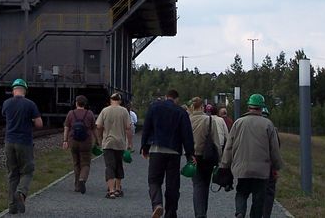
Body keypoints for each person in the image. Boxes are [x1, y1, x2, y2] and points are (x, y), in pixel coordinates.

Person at [220, 93, 282, 218]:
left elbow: (229, 147)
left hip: (242, 168)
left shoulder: (238, 123)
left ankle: (240, 212)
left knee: (241, 192)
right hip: (261, 170)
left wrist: (225, 165)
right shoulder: (268, 124)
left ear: (249, 107)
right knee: (259, 198)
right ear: (261, 107)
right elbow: (274, 149)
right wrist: (276, 166)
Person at [140, 88, 195, 218]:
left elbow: (146, 128)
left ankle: (157, 204)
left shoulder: (154, 108)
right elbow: (187, 135)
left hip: (156, 149)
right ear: (176, 99)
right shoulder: (181, 112)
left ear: (166, 97)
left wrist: (144, 147)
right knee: (173, 185)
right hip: (174, 152)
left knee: (154, 180)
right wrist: (189, 155)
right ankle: (171, 213)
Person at [2, 78, 43, 214]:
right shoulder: (30, 104)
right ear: (24, 90)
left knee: (12, 174)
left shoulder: (6, 103)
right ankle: (21, 192)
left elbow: (6, 116)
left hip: (9, 142)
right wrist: (31, 119)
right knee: (27, 171)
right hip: (24, 142)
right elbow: (39, 124)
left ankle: (12, 207)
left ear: (13, 90)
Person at [188, 96, 228, 218]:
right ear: (202, 107)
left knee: (197, 184)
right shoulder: (209, 120)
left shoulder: (187, 119)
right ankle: (202, 212)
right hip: (207, 157)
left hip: (193, 156)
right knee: (205, 184)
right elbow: (216, 140)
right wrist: (220, 159)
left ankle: (199, 213)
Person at [95, 92, 134, 199]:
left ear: (111, 100)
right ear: (120, 101)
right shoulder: (124, 111)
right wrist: (130, 143)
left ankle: (111, 191)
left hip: (108, 142)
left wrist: (99, 139)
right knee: (118, 165)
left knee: (109, 166)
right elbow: (128, 128)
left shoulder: (105, 110)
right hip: (120, 143)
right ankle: (118, 189)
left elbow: (98, 126)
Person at [63, 94, 97, 194]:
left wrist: (65, 140)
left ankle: (77, 186)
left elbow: (66, 128)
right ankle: (82, 179)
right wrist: (98, 140)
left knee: (76, 163)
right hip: (86, 142)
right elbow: (94, 128)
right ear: (85, 104)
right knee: (85, 163)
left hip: (73, 141)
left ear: (76, 103)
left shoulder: (71, 113)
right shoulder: (89, 114)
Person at [261, 106, 279, 218]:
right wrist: (276, 167)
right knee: (269, 191)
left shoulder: (250, 126)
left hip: (254, 166)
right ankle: (266, 215)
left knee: (257, 191)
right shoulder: (273, 128)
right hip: (268, 166)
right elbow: (276, 149)